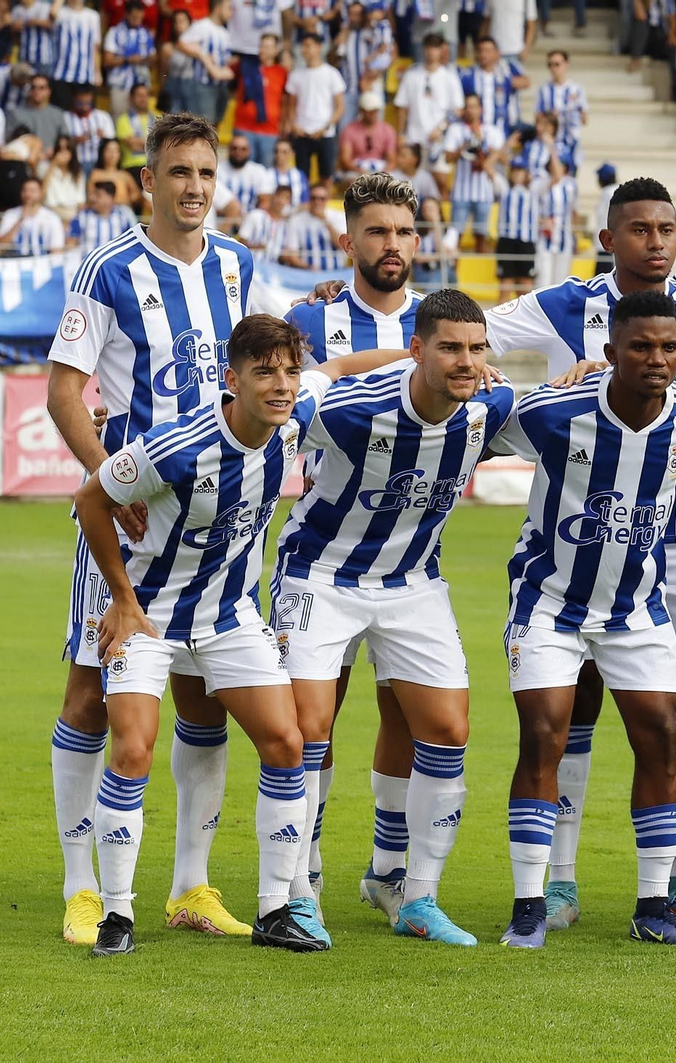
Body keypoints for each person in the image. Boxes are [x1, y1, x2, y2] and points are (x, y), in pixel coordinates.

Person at [73, 314, 407, 957]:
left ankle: (276, 908)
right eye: (265, 373)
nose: (282, 385)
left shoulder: (293, 417)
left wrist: (422, 363)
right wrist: (118, 599)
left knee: (288, 741)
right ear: (232, 380)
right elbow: (91, 500)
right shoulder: (177, 445)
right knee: (134, 748)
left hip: (228, 618)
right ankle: (116, 916)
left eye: (287, 371)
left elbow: (338, 368)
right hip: (148, 614)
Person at [44, 113, 257, 948]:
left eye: (205, 172)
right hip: (130, 518)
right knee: (91, 692)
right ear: (148, 181)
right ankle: (81, 885)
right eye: (178, 173)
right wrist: (106, 478)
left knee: (204, 694)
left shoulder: (237, 266)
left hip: (216, 523)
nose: (194, 188)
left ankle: (190, 886)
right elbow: (66, 390)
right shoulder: (110, 269)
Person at [273, 291, 513, 948]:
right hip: (319, 574)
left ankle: (412, 892)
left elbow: (568, 420)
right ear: (417, 349)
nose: (466, 362)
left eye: (475, 348)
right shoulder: (353, 410)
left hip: (412, 581)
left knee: (447, 728)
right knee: (306, 731)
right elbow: (288, 400)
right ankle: (299, 887)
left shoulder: (492, 407)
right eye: (450, 348)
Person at [491, 291, 676, 950]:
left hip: (635, 609)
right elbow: (474, 417)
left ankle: (653, 906)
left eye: (669, 348)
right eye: (642, 347)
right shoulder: (552, 412)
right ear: (609, 353)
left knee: (660, 732)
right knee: (544, 732)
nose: (658, 359)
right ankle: (530, 902)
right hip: (547, 604)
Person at [394, 33, 464, 176]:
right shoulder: (411, 75)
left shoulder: (449, 77)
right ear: (424, 49)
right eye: (429, 47)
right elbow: (402, 107)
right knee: (411, 182)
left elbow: (458, 109)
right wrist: (401, 133)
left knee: (440, 180)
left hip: (439, 139)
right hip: (414, 137)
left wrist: (441, 128)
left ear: (441, 50)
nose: (432, 52)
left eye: (436, 47)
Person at [444, 93, 506, 252]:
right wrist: (463, 148)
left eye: (474, 106)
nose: (470, 111)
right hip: (461, 191)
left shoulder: (491, 131)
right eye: (467, 107)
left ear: (481, 109)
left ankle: (479, 272)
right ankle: (453, 273)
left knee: (481, 236)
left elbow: (504, 159)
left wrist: (485, 148)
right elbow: (447, 158)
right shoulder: (456, 130)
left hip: (484, 191)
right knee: (455, 236)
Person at [285, 32, 346, 182]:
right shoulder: (296, 75)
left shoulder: (332, 74)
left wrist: (326, 127)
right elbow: (291, 106)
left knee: (326, 175)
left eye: (308, 45)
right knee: (301, 175)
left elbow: (340, 107)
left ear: (319, 47)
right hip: (302, 131)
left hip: (324, 132)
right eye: (303, 46)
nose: (304, 50)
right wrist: (294, 125)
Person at [173, 0, 234, 126]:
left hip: (221, 85)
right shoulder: (201, 26)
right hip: (202, 84)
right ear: (218, 7)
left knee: (215, 124)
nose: (231, 12)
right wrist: (202, 56)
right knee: (204, 125)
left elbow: (226, 58)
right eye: (228, 8)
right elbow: (181, 44)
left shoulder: (226, 32)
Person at [233, 31, 287, 166]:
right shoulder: (246, 67)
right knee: (243, 170)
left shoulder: (282, 72)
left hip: (270, 131)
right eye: (261, 46)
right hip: (244, 127)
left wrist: (285, 124)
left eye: (267, 47)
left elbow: (286, 101)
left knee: (265, 174)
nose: (263, 50)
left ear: (276, 51)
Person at [102, 2, 156, 120]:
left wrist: (144, 59)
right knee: (118, 119)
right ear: (126, 14)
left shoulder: (146, 33)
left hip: (141, 85)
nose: (138, 20)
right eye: (135, 17)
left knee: (142, 122)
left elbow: (153, 59)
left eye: (140, 17)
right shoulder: (114, 32)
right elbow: (107, 61)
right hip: (120, 84)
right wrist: (127, 60)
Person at [280, 180, 346, 270]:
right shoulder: (296, 221)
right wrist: (308, 268)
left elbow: (342, 246)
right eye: (313, 198)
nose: (317, 202)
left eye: (321, 199)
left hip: (336, 272)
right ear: (309, 199)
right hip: (307, 274)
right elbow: (292, 253)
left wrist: (325, 221)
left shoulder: (338, 216)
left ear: (327, 199)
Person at [48, 0, 102, 108]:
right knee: (63, 112)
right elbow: (52, 14)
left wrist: (98, 72)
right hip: (61, 74)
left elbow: (95, 47)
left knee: (84, 113)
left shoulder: (93, 16)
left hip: (86, 75)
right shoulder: (62, 13)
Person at [496, 159, 537, 301]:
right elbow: (488, 167)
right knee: (505, 285)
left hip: (526, 240)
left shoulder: (534, 190)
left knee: (526, 288)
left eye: (521, 170)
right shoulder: (503, 188)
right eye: (515, 170)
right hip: (507, 240)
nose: (517, 173)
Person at [535, 153, 578, 288]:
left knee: (562, 281)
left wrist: (574, 234)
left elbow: (574, 211)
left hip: (564, 237)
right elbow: (533, 208)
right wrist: (542, 221)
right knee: (543, 280)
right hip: (544, 236)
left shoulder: (571, 185)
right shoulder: (542, 182)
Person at [0, 174, 67, 252]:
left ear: (41, 193)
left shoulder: (52, 218)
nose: (28, 194)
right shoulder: (10, 215)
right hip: (14, 261)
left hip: (43, 262)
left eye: (32, 191)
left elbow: (57, 250)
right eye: (25, 190)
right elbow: (0, 247)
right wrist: (19, 221)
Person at [339, 91, 399, 176]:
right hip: (356, 169)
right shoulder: (349, 130)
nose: (372, 114)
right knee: (355, 181)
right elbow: (345, 159)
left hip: (381, 168)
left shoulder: (387, 130)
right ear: (361, 110)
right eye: (368, 111)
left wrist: (384, 173)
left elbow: (392, 159)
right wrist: (358, 170)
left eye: (374, 111)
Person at [69, 177, 138, 249]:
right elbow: (71, 243)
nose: (92, 198)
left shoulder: (123, 217)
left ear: (110, 198)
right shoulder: (81, 216)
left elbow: (131, 242)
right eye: (92, 194)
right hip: (88, 259)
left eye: (97, 195)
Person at [221, 133, 275, 214]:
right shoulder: (218, 169)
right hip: (223, 218)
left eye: (243, 149)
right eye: (235, 148)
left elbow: (265, 200)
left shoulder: (259, 170)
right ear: (229, 150)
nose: (238, 152)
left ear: (249, 151)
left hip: (251, 219)